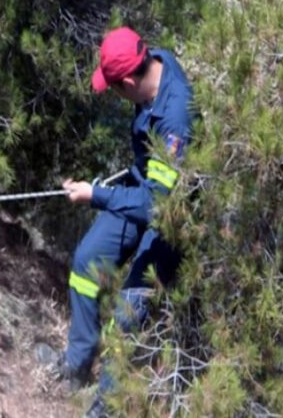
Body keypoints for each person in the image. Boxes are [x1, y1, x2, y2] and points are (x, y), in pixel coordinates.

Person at [42, 26, 194, 417]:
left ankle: (104, 408)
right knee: (86, 263)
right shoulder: (153, 62)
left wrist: (96, 196)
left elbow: (154, 206)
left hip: (171, 216)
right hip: (144, 189)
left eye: (113, 86)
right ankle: (76, 365)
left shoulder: (175, 116)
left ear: (129, 81)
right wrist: (110, 186)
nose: (111, 92)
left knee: (127, 317)